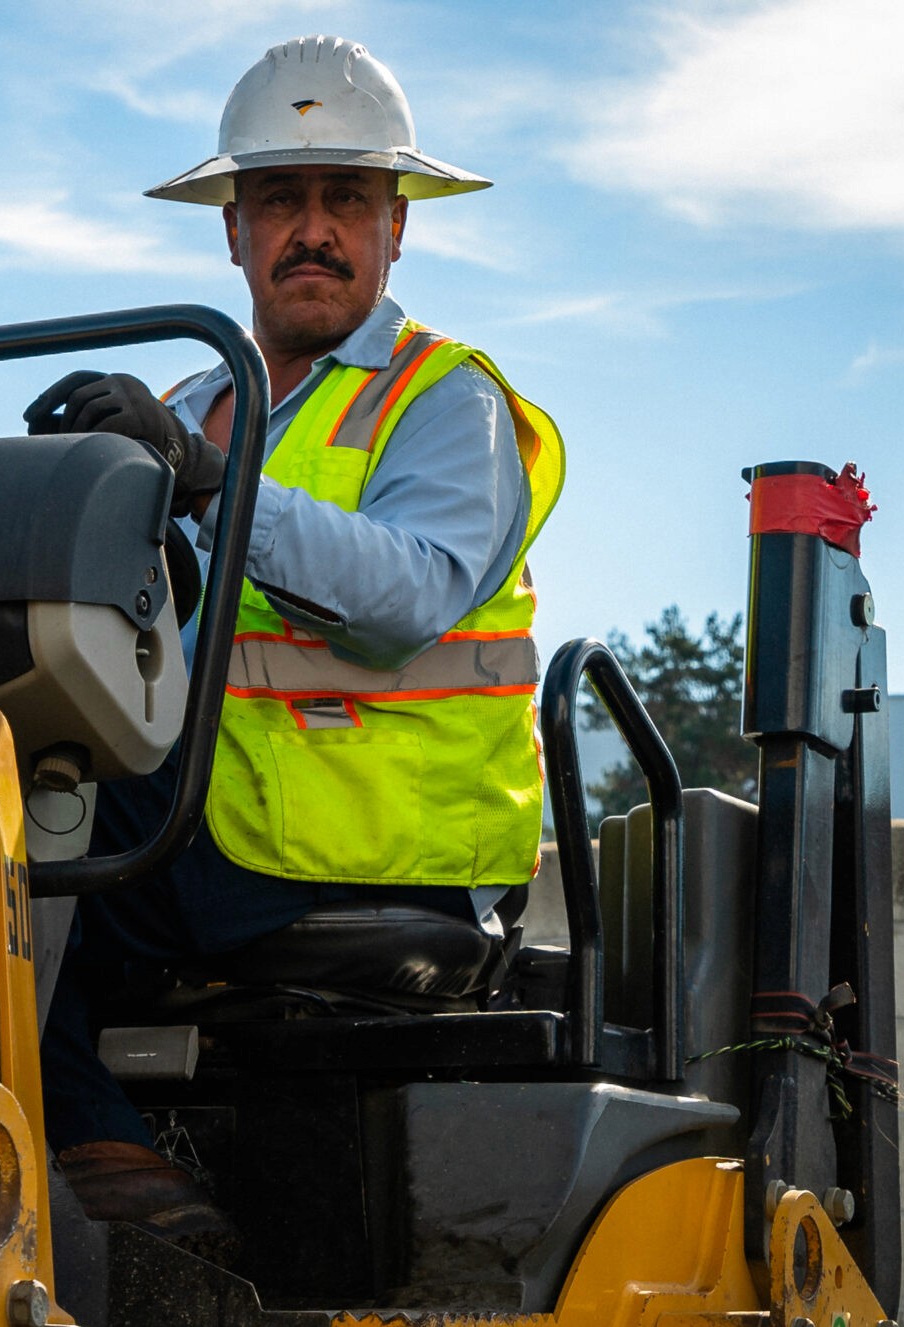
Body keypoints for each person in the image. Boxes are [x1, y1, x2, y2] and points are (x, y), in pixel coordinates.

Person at [30, 36, 565, 1254]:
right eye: (280, 198)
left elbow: (406, 592)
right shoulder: (174, 412)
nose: (311, 229)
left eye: (344, 200)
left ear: (394, 229)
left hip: (375, 844)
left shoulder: (442, 401)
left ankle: (108, 1162)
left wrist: (215, 484)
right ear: (232, 229)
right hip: (219, 823)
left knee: (24, 852)